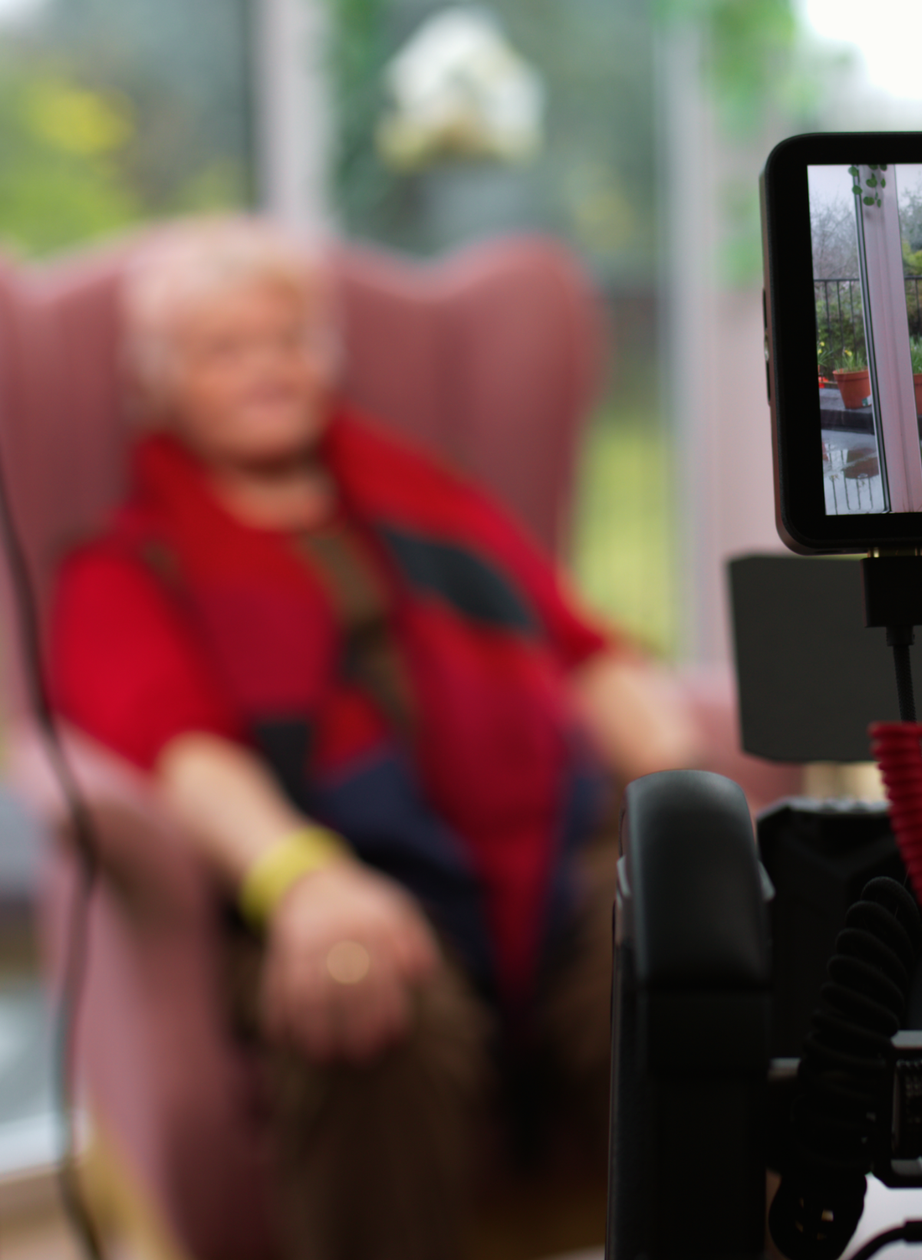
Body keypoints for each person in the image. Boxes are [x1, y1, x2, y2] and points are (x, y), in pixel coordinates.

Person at [47, 217, 692, 1260]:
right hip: (334, 873)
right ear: (158, 384)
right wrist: (304, 882)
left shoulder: (430, 498)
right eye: (225, 349)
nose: (269, 367)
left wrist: (685, 808)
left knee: (694, 969)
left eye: (290, 339)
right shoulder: (125, 566)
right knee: (360, 1002)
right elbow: (186, 755)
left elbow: (587, 655)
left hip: (559, 850)